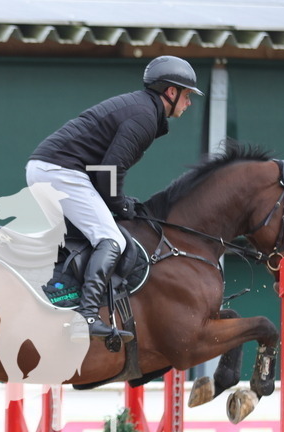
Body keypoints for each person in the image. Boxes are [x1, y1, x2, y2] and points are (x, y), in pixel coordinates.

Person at [26, 55, 203, 341]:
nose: (189, 102)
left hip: (50, 169)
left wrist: (119, 201)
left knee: (88, 237)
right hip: (61, 172)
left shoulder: (142, 108)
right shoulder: (144, 116)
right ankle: (88, 316)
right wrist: (118, 203)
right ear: (171, 92)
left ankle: (62, 297)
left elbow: (105, 169)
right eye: (187, 95)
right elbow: (111, 168)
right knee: (112, 239)